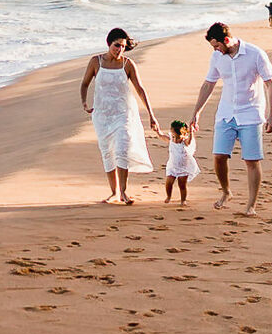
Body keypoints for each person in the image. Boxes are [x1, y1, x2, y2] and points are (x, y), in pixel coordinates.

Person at [189, 22, 272, 215]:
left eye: (217, 46)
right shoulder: (217, 57)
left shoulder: (255, 54)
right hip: (226, 113)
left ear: (227, 40)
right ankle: (226, 191)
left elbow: (271, 84)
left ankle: (251, 206)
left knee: (251, 160)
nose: (216, 50)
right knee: (219, 156)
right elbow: (208, 85)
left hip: (251, 113)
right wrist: (196, 112)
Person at [79, 27, 159, 204]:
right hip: (102, 115)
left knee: (122, 149)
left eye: (123, 46)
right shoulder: (96, 62)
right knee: (107, 152)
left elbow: (140, 89)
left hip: (124, 114)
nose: (119, 49)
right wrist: (84, 103)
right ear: (109, 44)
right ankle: (113, 192)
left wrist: (151, 115)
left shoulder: (128, 64)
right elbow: (84, 84)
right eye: (117, 45)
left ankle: (123, 192)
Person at [162, 119, 198, 205]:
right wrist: (158, 131)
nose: (175, 139)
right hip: (172, 167)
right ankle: (168, 196)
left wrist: (191, 132)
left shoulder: (184, 142)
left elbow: (189, 142)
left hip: (183, 167)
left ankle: (183, 200)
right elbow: (163, 137)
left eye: (177, 137)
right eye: (173, 136)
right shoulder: (171, 140)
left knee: (182, 185)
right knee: (169, 183)